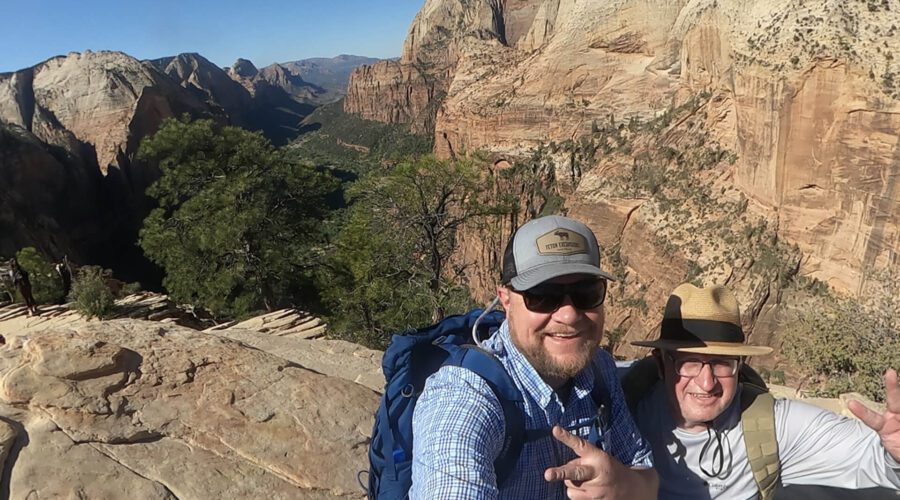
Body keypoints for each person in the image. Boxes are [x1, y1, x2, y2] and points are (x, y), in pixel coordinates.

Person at [571, 283, 900, 499]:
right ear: (661, 364)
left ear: (740, 366)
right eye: (689, 363)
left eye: (721, 363)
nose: (706, 381)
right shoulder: (622, 400)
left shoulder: (772, 425)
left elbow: (875, 462)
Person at [410, 215, 657, 499]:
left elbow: (647, 478)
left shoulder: (599, 367)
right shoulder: (465, 397)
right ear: (505, 299)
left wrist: (624, 483)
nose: (569, 315)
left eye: (585, 292)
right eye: (542, 295)